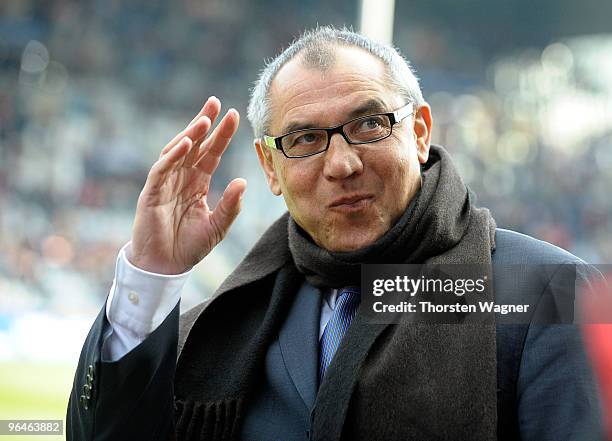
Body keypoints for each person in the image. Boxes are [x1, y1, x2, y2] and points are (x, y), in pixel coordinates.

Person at [67, 26, 604, 441]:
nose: (342, 164)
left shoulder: (550, 292)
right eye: (304, 138)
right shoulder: (227, 321)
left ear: (418, 132)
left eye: (370, 124)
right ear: (269, 169)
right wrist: (151, 275)